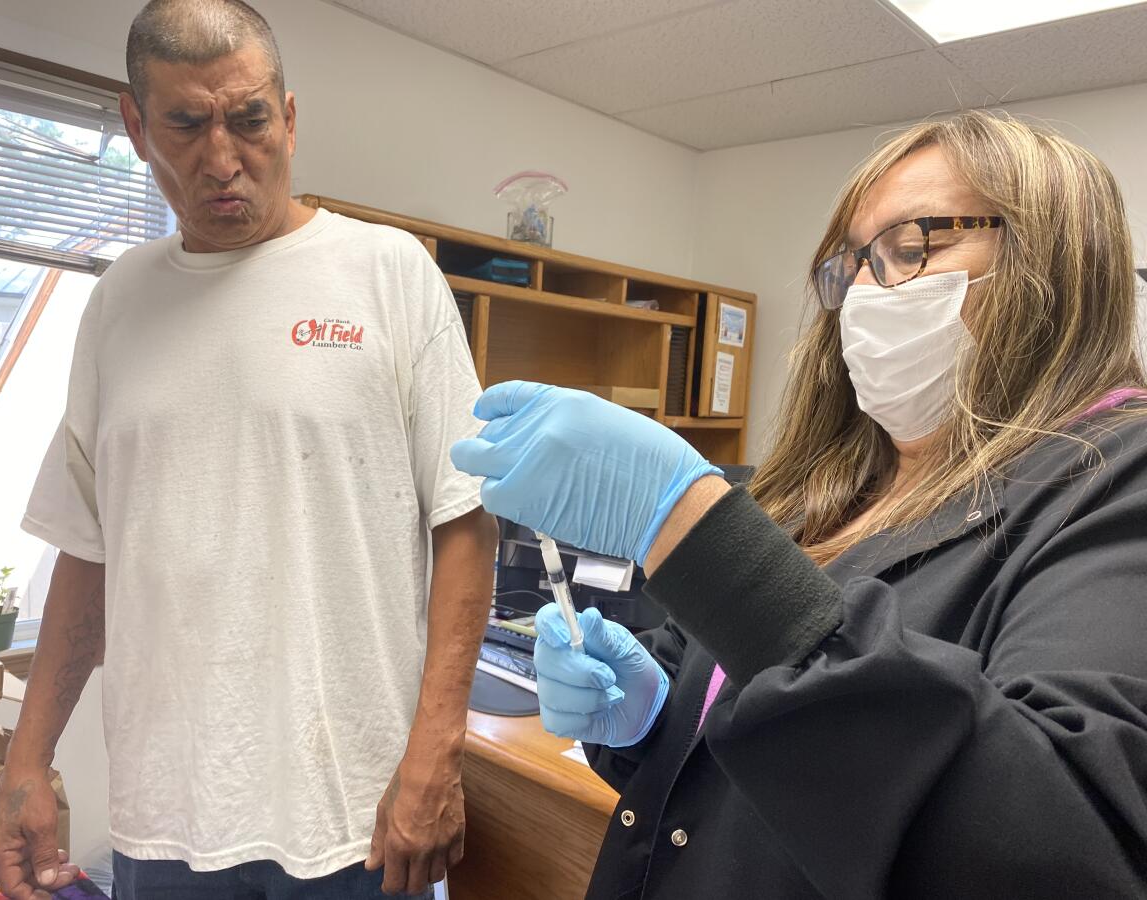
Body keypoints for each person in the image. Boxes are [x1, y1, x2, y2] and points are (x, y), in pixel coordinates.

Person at [451, 111, 1147, 898]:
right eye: (849, 267)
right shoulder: (834, 488)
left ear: (1054, 256)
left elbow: (1067, 852)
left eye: (913, 247)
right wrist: (647, 721)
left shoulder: (1115, 482)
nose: (861, 297)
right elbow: (743, 733)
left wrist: (690, 524)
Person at [0, 2, 496, 898]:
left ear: (289, 117)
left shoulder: (389, 272)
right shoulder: (118, 305)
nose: (222, 160)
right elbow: (88, 548)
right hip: (167, 814)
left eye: (249, 119)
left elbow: (466, 519)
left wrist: (437, 752)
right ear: (137, 126)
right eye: (185, 124)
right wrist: (28, 758)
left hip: (357, 816)